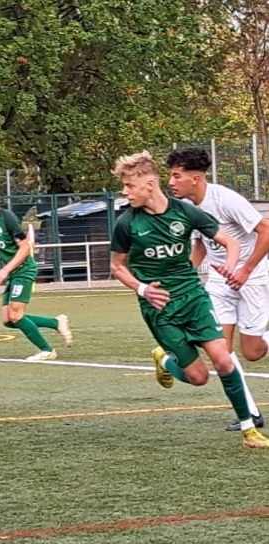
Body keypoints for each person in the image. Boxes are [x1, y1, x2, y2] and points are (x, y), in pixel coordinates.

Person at [109, 150, 269, 449]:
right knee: (198, 377)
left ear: (149, 184)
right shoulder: (126, 223)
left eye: (129, 186)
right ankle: (165, 359)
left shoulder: (185, 212)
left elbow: (229, 241)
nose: (125, 192)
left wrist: (232, 266)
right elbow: (117, 266)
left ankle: (249, 429)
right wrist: (142, 289)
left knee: (224, 360)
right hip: (159, 308)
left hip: (194, 298)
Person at [166, 146, 269, 431]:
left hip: (253, 279)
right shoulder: (187, 208)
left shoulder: (225, 199)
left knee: (253, 352)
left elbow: (266, 231)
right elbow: (201, 245)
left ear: (196, 178)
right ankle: (250, 413)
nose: (171, 182)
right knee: (220, 350)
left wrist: (245, 271)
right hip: (219, 283)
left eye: (176, 176)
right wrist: (182, 277)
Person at [0, 182, 73, 360]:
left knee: (15, 315)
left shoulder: (7, 217)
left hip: (24, 269)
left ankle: (47, 350)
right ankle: (55, 322)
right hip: (13, 272)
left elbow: (26, 247)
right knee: (8, 320)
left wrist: (4, 271)